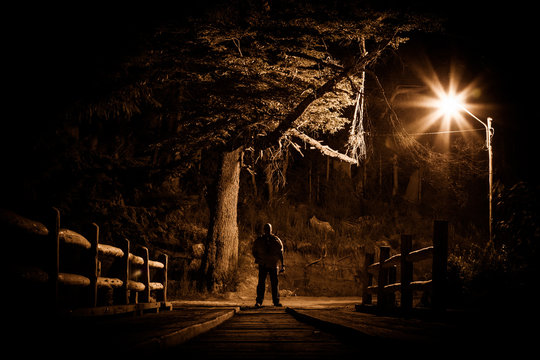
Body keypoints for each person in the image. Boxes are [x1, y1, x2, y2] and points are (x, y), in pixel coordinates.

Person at [252, 223, 285, 307]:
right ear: (264, 230)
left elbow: (281, 253)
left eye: (269, 229)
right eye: (266, 229)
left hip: (273, 265)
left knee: (274, 283)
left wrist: (282, 265)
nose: (267, 231)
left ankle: (276, 301)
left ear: (271, 230)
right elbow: (254, 251)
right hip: (263, 264)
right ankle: (259, 301)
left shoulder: (276, 240)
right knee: (261, 283)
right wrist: (259, 259)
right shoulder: (259, 240)